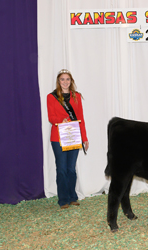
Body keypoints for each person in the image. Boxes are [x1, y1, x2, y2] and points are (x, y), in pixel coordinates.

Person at [47, 69, 89, 209]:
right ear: (58, 82)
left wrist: (84, 138)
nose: (65, 82)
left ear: (71, 81)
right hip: (58, 138)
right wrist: (61, 120)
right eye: (62, 79)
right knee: (62, 169)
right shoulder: (51, 97)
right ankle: (63, 199)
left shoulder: (76, 96)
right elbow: (51, 118)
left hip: (74, 137)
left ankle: (73, 197)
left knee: (71, 169)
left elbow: (81, 119)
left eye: (67, 79)